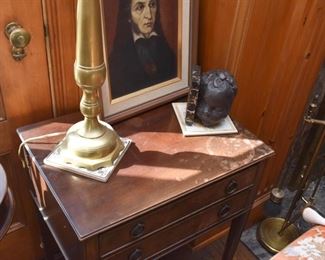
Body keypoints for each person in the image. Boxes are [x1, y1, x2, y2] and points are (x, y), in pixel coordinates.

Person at [109, 0, 176, 99]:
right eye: (140, 7)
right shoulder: (117, 59)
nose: (149, 15)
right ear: (128, 15)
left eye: (152, 5)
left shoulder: (164, 47)